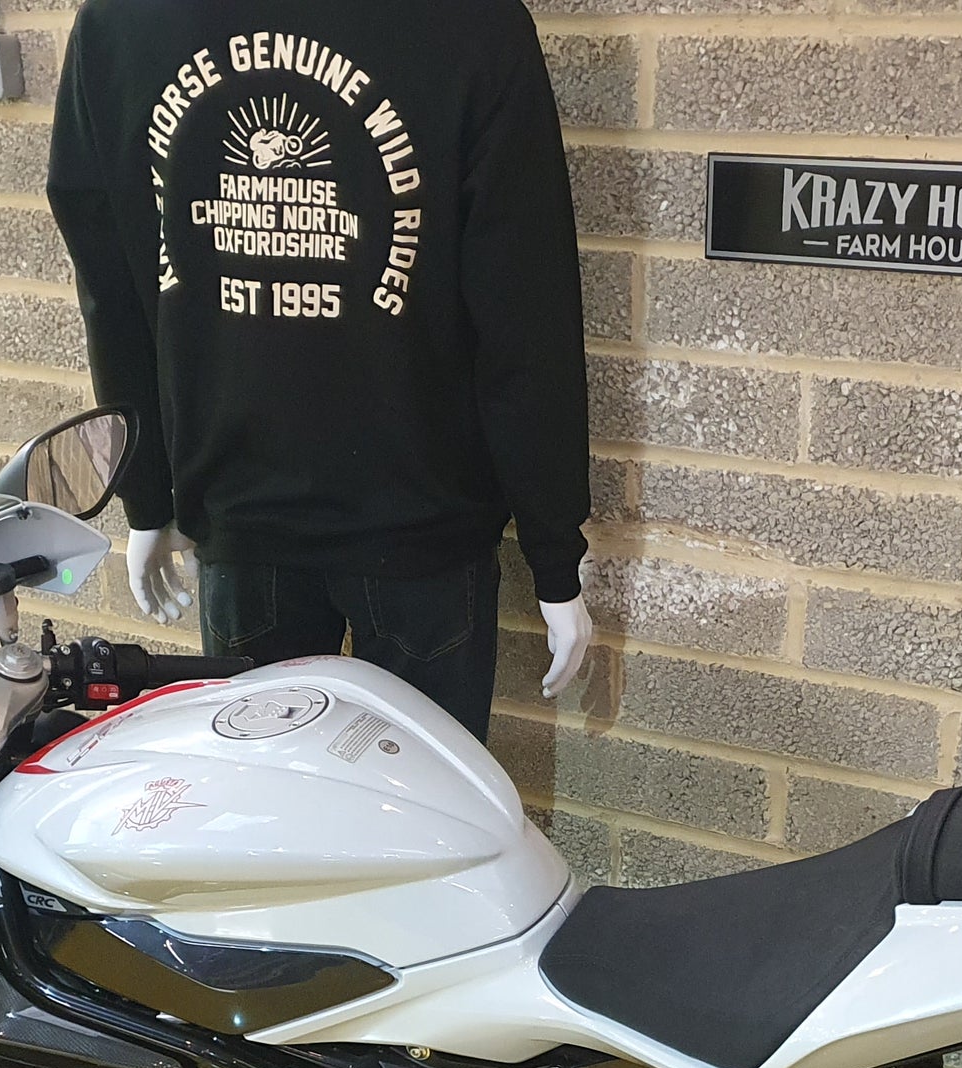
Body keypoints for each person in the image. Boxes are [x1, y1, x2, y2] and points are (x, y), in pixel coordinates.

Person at [48, 0, 593, 739]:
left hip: (255, 514)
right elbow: (527, 315)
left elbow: (110, 296)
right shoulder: (473, 24)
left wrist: (147, 498)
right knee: (417, 807)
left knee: (270, 807)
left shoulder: (120, 24)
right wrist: (554, 553)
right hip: (412, 524)